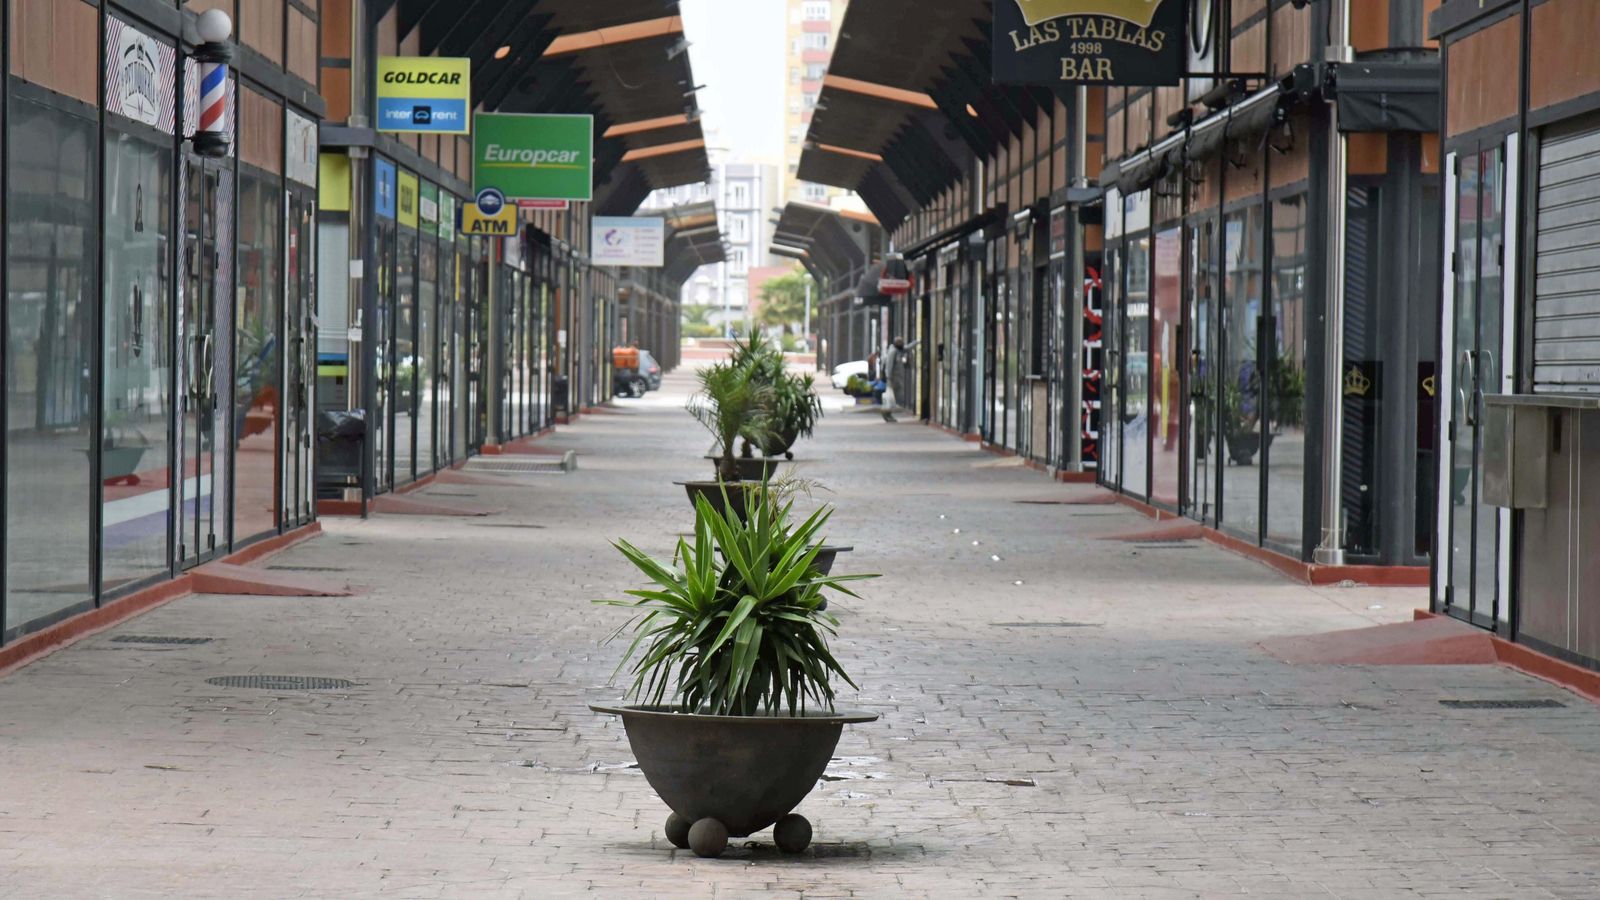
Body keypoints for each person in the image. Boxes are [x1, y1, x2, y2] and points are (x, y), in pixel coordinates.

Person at [878, 335, 920, 422]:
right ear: (897, 343)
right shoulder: (893, 352)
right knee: (891, 398)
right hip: (892, 379)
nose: (902, 344)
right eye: (901, 342)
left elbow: (907, 347)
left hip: (896, 379)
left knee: (893, 398)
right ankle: (887, 413)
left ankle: (888, 413)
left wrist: (917, 342)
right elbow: (889, 366)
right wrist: (889, 377)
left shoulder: (898, 350)